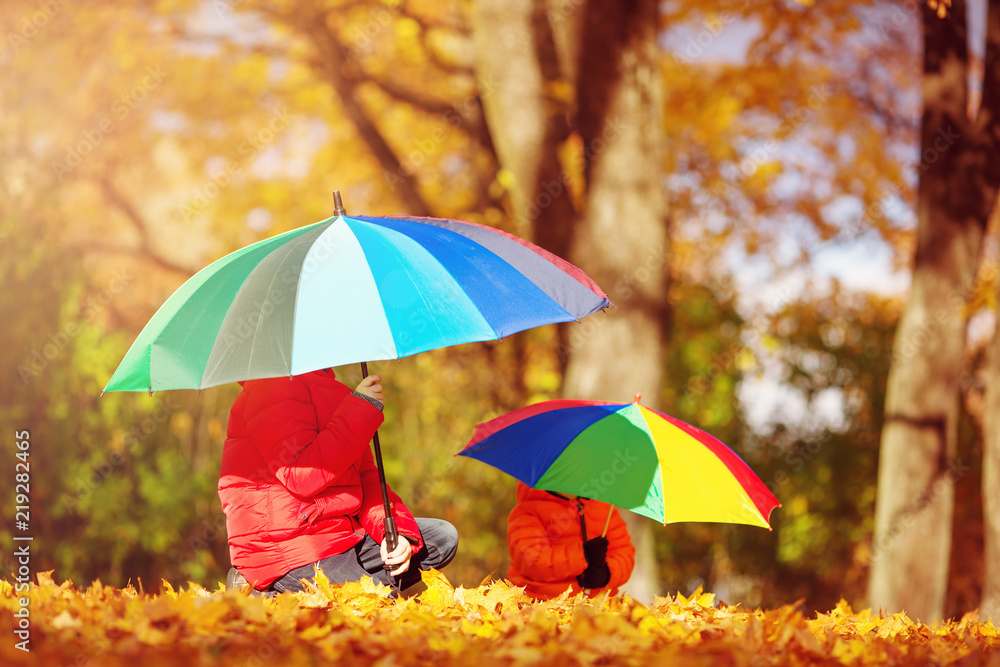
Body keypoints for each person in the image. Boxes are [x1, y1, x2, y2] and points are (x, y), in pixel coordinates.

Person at [219, 368, 458, 595]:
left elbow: (365, 478)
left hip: (338, 534)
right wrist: (360, 410)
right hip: (289, 544)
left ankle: (317, 594)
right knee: (371, 605)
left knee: (441, 539)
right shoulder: (270, 386)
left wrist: (393, 532)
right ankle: (263, 593)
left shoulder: (333, 391)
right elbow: (301, 475)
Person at [506, 481, 634, 600]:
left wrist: (607, 573)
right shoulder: (527, 512)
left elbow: (624, 553)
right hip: (541, 605)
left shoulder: (604, 509)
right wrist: (583, 556)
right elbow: (532, 561)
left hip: (598, 606)